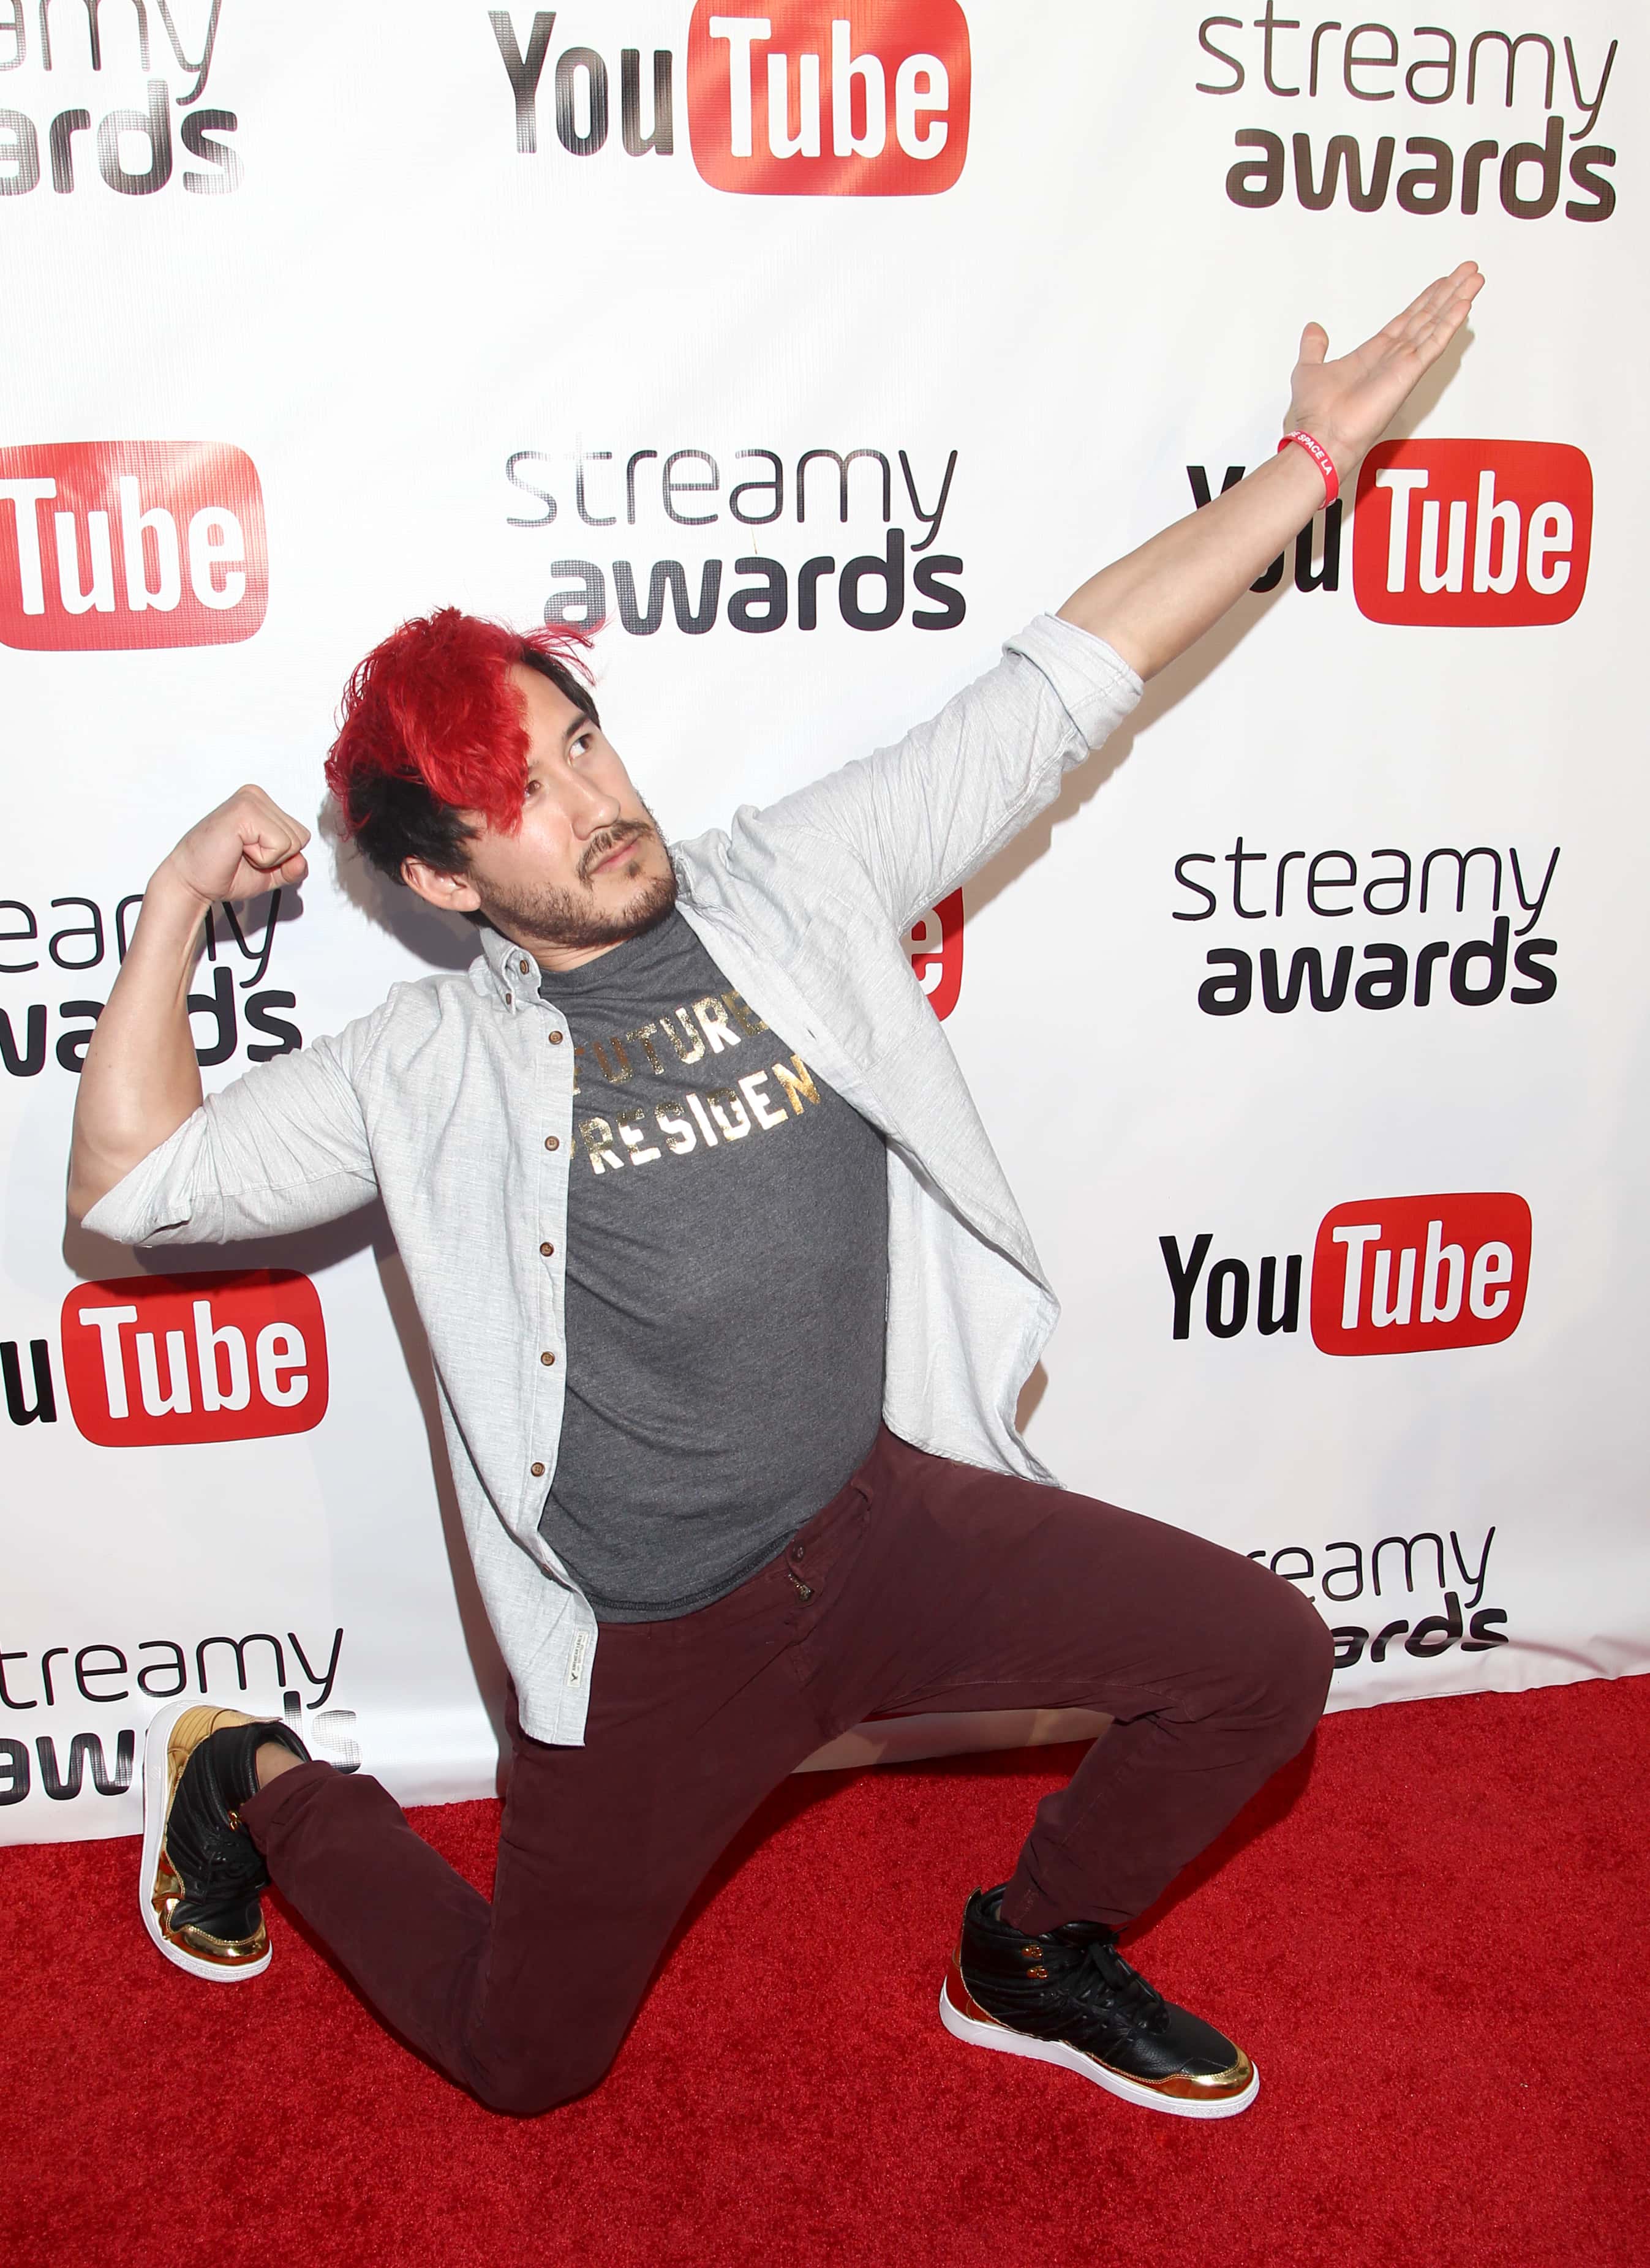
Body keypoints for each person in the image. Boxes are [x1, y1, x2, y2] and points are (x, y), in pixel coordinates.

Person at [70, 264, 1482, 2122]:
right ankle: (256, 1777)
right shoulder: (429, 1075)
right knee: (526, 2066)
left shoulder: (786, 885)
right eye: (525, 797)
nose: (597, 801)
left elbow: (1061, 682)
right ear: (447, 883)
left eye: (582, 739)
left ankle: (1032, 1950)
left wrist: (1308, 465)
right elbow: (140, 1188)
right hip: (660, 1648)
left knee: (1261, 1661)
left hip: (878, 1526)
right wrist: (174, 901)